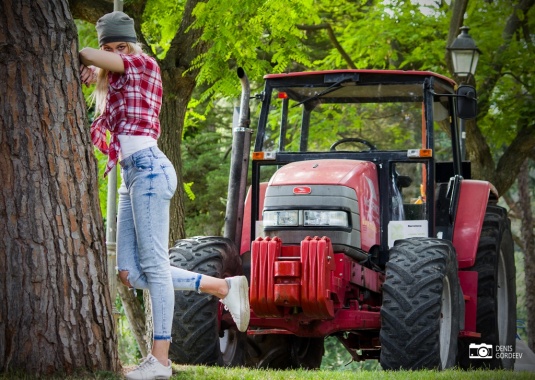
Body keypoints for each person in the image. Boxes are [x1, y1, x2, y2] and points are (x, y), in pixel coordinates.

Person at [79, 11, 249, 380]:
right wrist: (99, 76)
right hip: (131, 176)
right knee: (130, 273)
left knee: (154, 267)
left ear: (130, 45)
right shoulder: (119, 79)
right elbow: (97, 65)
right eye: (109, 46)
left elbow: (88, 54)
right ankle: (222, 287)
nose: (112, 51)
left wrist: (95, 58)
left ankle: (160, 362)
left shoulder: (141, 63)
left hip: (150, 170)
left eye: (118, 45)